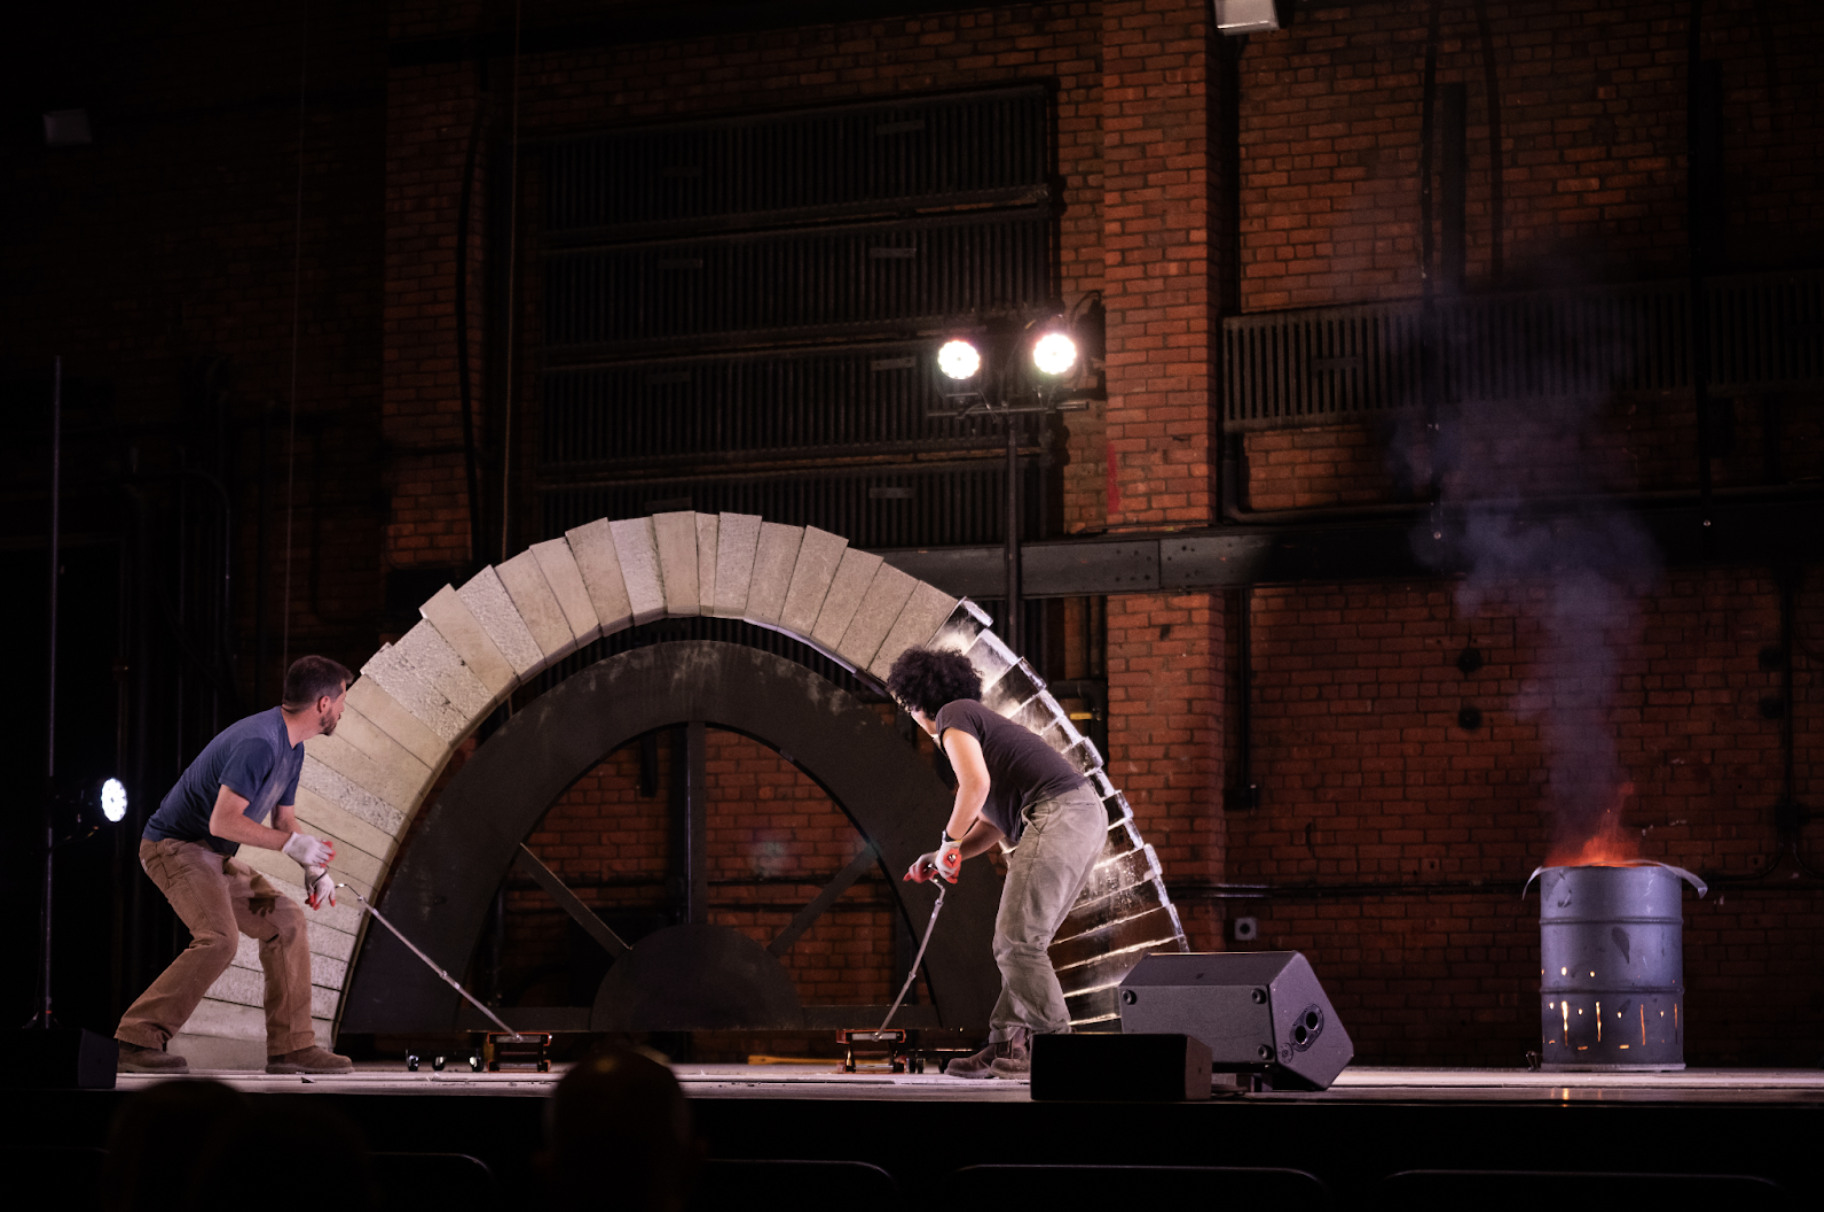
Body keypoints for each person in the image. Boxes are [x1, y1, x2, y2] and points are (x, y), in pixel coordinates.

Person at [114, 655, 356, 1075]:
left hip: (212, 854)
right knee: (219, 938)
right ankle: (136, 1039)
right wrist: (292, 844)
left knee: (287, 921)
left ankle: (291, 1048)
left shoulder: (292, 749)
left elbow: (283, 820)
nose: (343, 709)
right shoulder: (260, 742)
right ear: (323, 703)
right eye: (341, 699)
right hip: (175, 847)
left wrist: (315, 870)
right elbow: (223, 820)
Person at [887, 646, 1106, 1079]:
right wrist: (945, 853)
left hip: (1060, 814)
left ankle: (1056, 1047)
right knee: (1025, 942)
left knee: (1016, 943)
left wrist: (949, 840)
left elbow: (975, 786)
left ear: (915, 702)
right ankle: (1006, 1044)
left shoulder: (953, 715)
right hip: (1079, 816)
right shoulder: (980, 726)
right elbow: (993, 825)